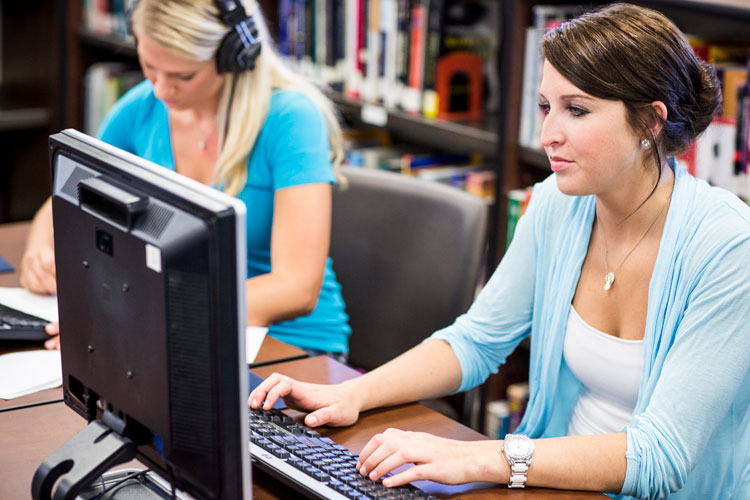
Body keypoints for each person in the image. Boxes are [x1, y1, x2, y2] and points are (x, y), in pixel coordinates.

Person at [249, 3, 750, 499]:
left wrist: (483, 457)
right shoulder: (559, 203)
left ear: (651, 124)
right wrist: (350, 394)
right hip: (549, 482)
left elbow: (660, 456)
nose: (547, 134)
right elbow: (478, 341)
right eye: (545, 106)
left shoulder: (727, 247)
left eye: (576, 110)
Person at [19, 0, 351, 359]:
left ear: (233, 56)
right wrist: (40, 253)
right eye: (150, 67)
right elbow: (64, 200)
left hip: (290, 346)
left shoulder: (289, 118)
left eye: (183, 76)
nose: (161, 90)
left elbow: (297, 289)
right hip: (171, 328)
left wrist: (151, 314)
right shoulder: (141, 108)